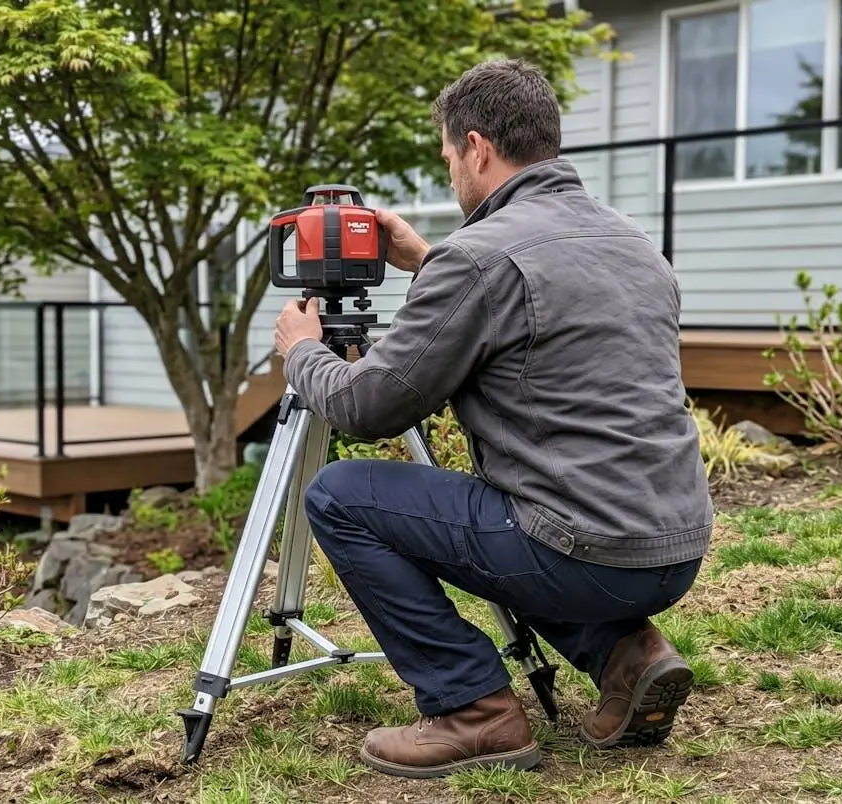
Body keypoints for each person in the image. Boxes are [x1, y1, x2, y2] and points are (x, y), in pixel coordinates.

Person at [271, 58, 714, 780]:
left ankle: (471, 711)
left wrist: (304, 352)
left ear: (476, 147)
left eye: (449, 157)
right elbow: (526, 300)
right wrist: (427, 260)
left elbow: (367, 407)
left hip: (580, 551)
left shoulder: (479, 257)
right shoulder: (631, 241)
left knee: (341, 495)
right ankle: (628, 657)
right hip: (672, 547)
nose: (451, 174)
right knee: (524, 513)